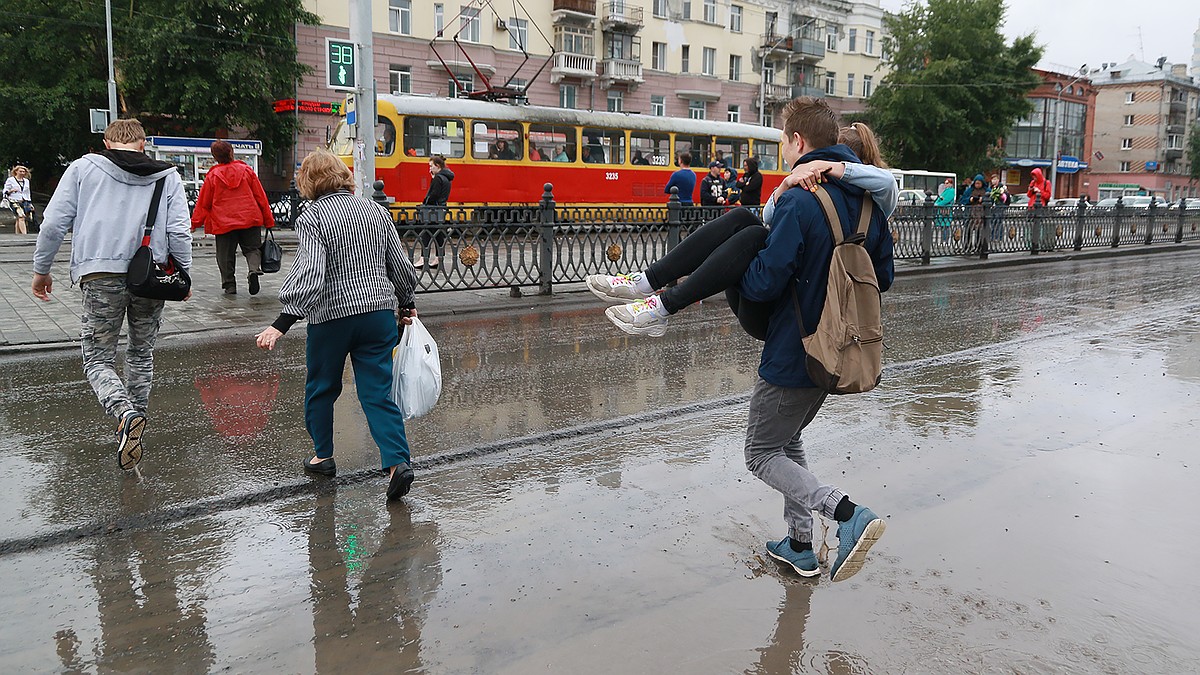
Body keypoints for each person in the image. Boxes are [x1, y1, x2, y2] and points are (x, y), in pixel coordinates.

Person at [589, 118, 896, 343]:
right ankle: (648, 284)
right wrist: (787, 184)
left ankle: (662, 301)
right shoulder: (822, 196)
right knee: (743, 221)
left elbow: (886, 183)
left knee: (752, 236)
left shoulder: (858, 198)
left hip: (796, 315)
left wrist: (732, 267)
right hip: (802, 307)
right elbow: (769, 215)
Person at [254, 149, 419, 502]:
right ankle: (396, 463)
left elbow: (311, 271)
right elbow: (400, 265)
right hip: (377, 315)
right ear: (343, 176)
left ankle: (323, 456)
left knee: (322, 388)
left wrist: (283, 320)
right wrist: (406, 303)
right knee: (377, 392)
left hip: (332, 319)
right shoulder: (376, 211)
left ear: (308, 182)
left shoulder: (312, 216)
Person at [31, 118, 192, 472]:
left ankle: (124, 413)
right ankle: (135, 425)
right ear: (142, 143)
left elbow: (55, 223)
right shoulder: (167, 176)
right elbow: (180, 230)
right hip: (151, 277)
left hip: (100, 274)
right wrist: (184, 274)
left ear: (106, 141)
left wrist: (42, 270)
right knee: (141, 352)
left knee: (98, 358)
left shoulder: (83, 169)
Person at [190, 141, 276, 295]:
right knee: (252, 249)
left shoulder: (213, 176)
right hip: (250, 218)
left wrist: (194, 224)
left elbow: (204, 203)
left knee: (225, 255)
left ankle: (229, 285)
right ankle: (254, 270)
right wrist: (268, 220)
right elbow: (260, 197)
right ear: (231, 152)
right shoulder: (246, 171)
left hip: (223, 222)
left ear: (215, 157)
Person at [415, 155, 453, 269]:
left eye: (431, 166)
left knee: (426, 233)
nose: (429, 169)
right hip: (441, 209)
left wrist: (425, 202)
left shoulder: (438, 178)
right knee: (438, 234)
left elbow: (434, 194)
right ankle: (438, 258)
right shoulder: (446, 178)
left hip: (432, 209)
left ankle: (423, 259)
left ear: (437, 166)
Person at [4, 165, 35, 235]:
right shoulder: (10, 180)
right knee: (21, 217)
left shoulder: (26, 181)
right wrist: (11, 191)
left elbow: (28, 192)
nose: (22, 173)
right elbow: (5, 190)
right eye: (20, 171)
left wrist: (30, 203)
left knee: (19, 218)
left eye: (24, 171)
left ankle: (17, 234)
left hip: (25, 201)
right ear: (16, 171)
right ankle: (25, 234)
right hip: (14, 200)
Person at [934, 177, 955, 242]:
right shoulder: (946, 190)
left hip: (946, 210)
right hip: (942, 210)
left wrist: (938, 204)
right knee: (943, 226)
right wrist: (936, 203)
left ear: (951, 184)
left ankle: (945, 240)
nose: (945, 184)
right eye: (945, 183)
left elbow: (946, 200)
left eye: (947, 183)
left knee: (946, 225)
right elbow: (940, 198)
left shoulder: (951, 191)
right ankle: (943, 240)